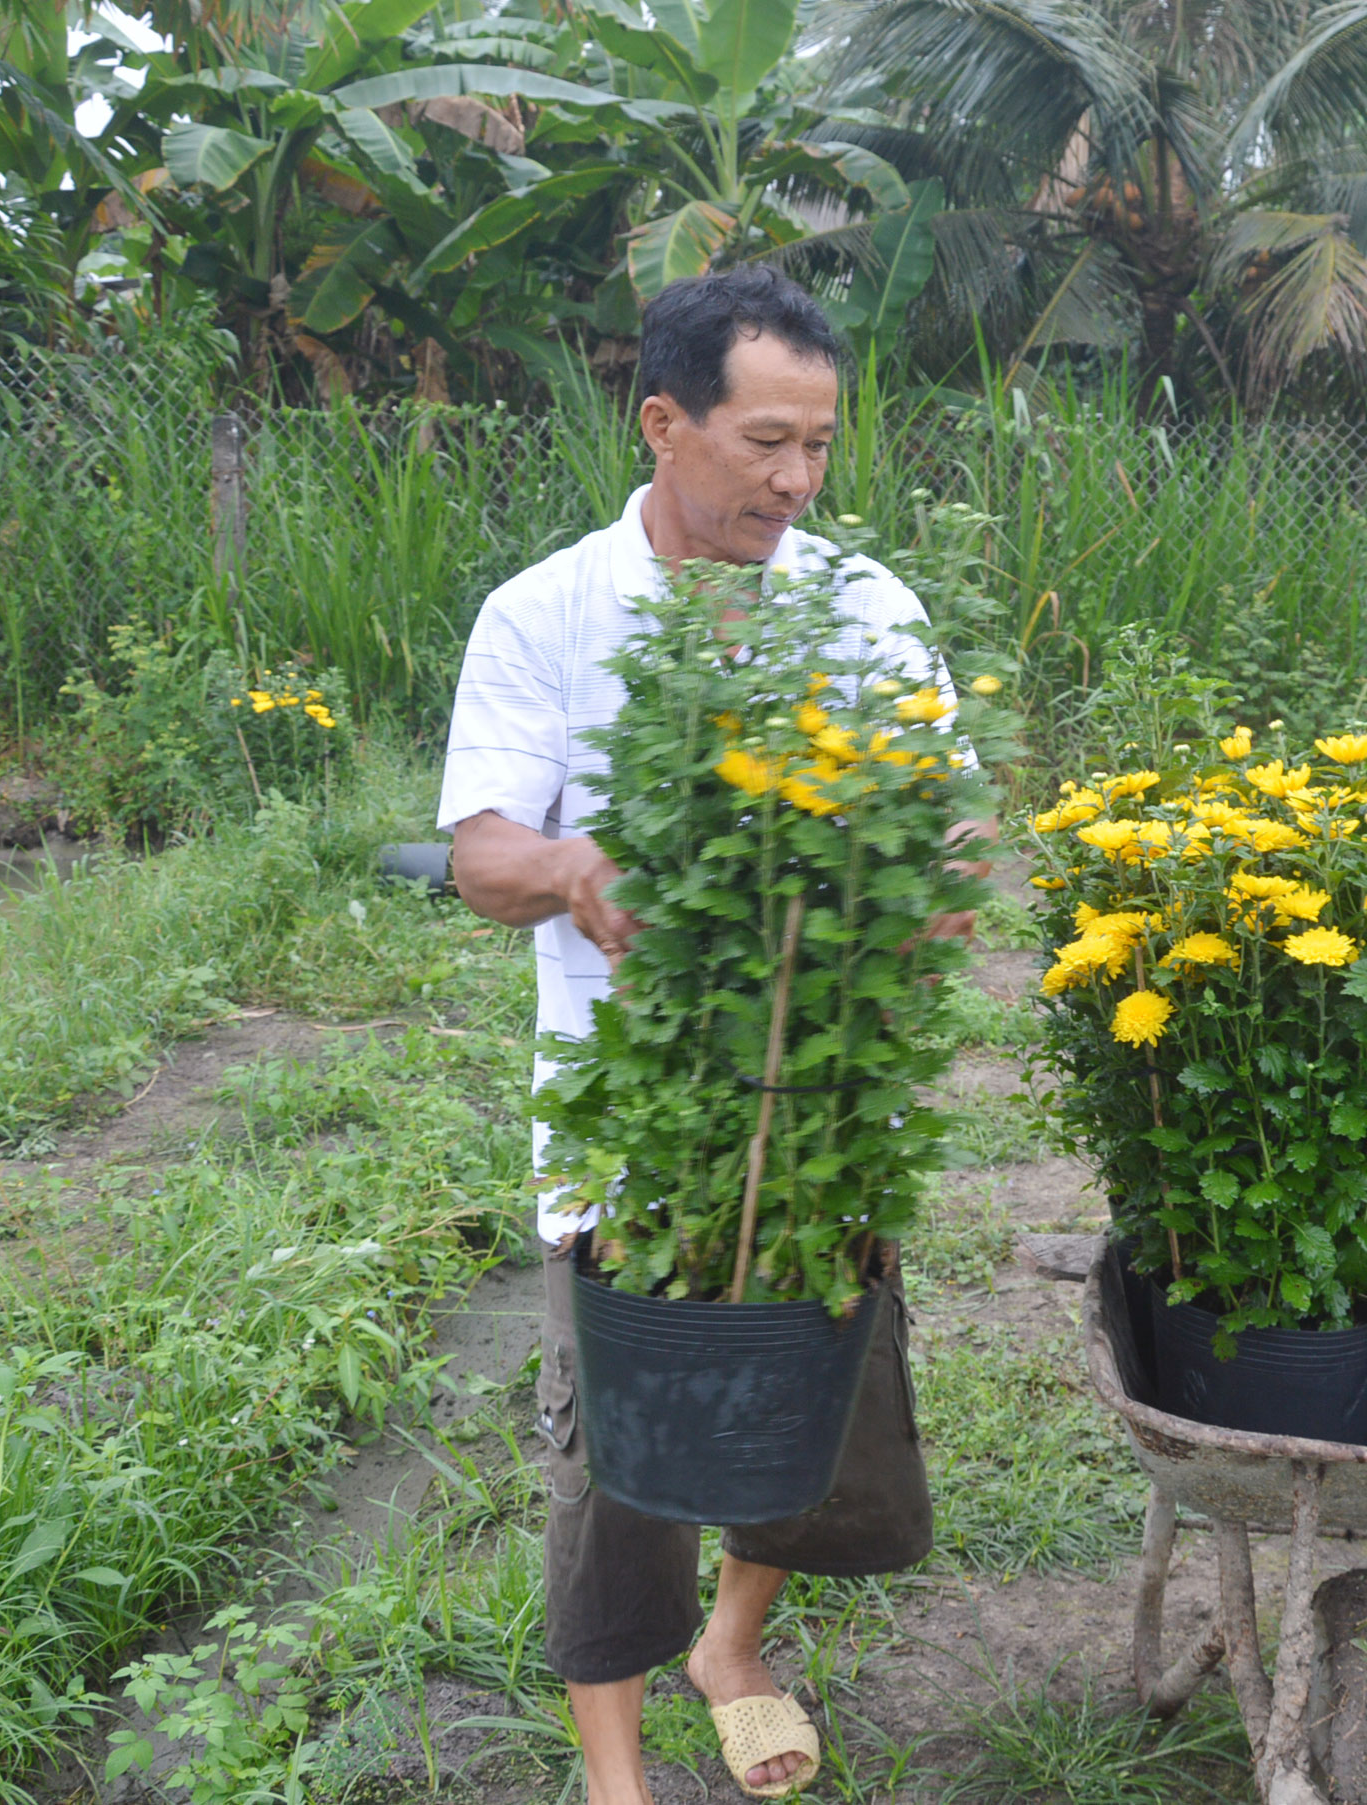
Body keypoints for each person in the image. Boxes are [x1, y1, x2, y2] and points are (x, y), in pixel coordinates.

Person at [437, 267, 977, 1803]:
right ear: (664, 423)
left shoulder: (864, 604)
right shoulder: (545, 611)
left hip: (815, 1108)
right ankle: (619, 1775)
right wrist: (570, 866)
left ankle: (731, 1645)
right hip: (634, 1112)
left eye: (819, 444)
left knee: (814, 1390)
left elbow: (945, 822)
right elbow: (484, 851)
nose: (799, 481)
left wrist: (928, 889)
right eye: (765, 443)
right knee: (616, 1453)